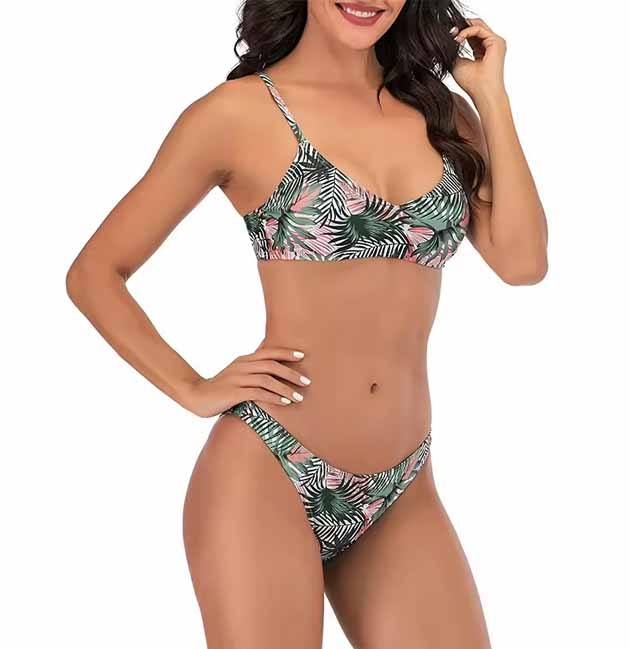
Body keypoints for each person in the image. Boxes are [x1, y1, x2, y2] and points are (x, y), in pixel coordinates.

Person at [66, 1, 548, 647]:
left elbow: (522, 263)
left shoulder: (443, 116)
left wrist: (491, 98)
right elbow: (95, 273)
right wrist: (193, 387)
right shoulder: (238, 114)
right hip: (269, 468)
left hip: (404, 485)